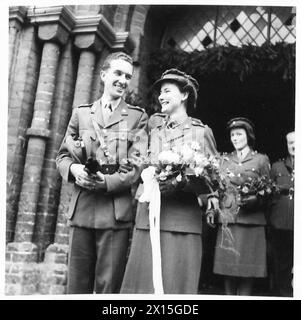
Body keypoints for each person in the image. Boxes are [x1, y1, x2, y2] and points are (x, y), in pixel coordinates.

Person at [56, 52, 148, 294]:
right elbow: (62, 157)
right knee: (76, 286)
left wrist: (105, 181)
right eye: (118, 73)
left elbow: (137, 165)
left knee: (109, 286)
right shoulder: (82, 113)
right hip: (83, 207)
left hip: (114, 212)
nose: (123, 80)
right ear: (104, 74)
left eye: (128, 76)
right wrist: (75, 170)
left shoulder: (137, 117)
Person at [120, 69, 217, 294]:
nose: (161, 97)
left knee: (175, 286)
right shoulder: (153, 130)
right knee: (141, 287)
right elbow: (135, 164)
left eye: (167, 91)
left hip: (181, 222)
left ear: (184, 95)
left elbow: (213, 180)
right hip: (149, 218)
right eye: (160, 93)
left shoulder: (201, 132)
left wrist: (182, 184)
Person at [213, 117, 271, 296]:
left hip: (251, 220)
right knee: (228, 266)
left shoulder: (261, 160)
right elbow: (217, 188)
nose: (235, 138)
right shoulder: (224, 159)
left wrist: (257, 199)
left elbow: (268, 190)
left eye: (239, 134)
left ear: (248, 136)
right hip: (229, 219)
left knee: (248, 268)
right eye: (232, 135)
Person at [268, 130, 294, 297]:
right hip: (281, 223)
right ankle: (284, 294)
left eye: (296, 142)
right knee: (282, 261)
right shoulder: (277, 167)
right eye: (290, 143)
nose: (293, 146)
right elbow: (269, 194)